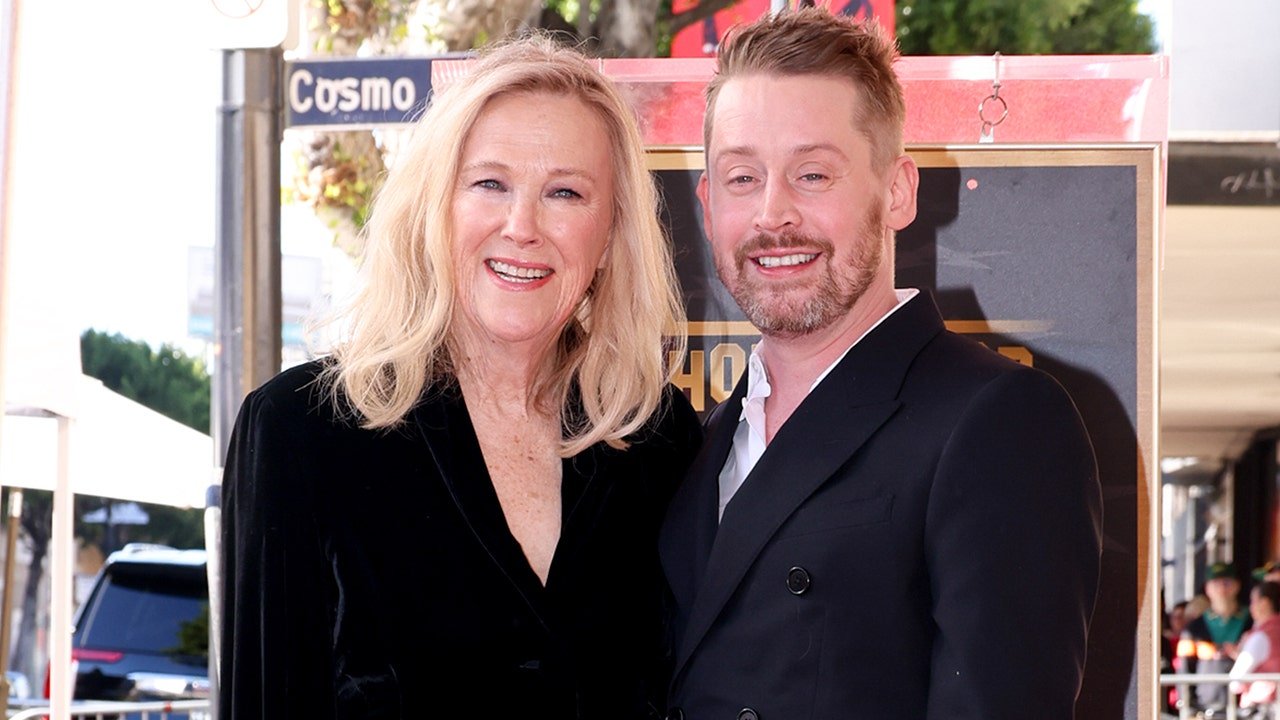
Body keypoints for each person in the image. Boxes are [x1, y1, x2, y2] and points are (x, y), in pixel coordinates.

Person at [219, 36, 702, 718]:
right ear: (434, 207)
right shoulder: (300, 431)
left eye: (565, 192)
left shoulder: (657, 439)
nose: (522, 225)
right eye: (489, 184)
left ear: (610, 235)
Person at [658, 9, 1104, 719]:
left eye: (812, 174)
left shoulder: (999, 421)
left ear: (897, 191)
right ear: (708, 205)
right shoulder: (698, 443)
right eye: (742, 177)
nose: (773, 215)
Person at [1180, 561, 1254, 714]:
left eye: (1227, 583)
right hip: (1206, 705)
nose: (1221, 589)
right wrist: (1188, 705)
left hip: (1246, 706)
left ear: (1237, 586)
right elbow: (1184, 668)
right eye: (1215, 584)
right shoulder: (1194, 628)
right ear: (1207, 588)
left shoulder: (1252, 622)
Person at [1231, 581, 1280, 716]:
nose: (1251, 607)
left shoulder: (1260, 637)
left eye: (1253, 601)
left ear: (1264, 603)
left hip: (1264, 709)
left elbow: (1235, 681)